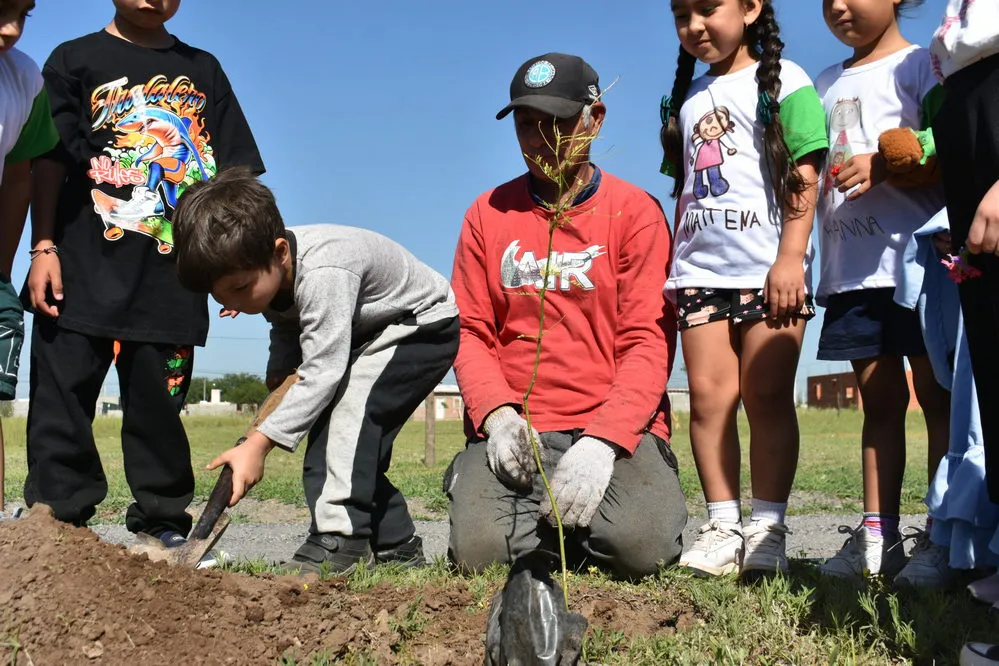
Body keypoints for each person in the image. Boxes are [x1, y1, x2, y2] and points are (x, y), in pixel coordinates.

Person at [24, 0, 264, 555]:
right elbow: (47, 161)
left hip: (174, 278)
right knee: (62, 397)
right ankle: (56, 520)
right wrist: (43, 246)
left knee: (159, 405)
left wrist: (234, 260)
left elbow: (234, 172)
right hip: (79, 271)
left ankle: (162, 518)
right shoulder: (73, 59)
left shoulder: (203, 70)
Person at [446, 52, 687, 581]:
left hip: (611, 425)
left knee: (640, 547)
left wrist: (603, 442)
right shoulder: (488, 213)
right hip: (521, 426)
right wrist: (497, 416)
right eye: (526, 125)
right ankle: (541, 514)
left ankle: (588, 515)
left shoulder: (635, 213)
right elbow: (471, 332)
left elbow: (648, 340)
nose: (539, 140)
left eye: (555, 123)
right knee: (479, 552)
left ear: (594, 119)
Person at [172, 167, 459, 574]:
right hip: (368, 331)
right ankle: (396, 545)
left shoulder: (325, 272)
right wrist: (279, 374)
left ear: (279, 253)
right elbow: (286, 322)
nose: (233, 302)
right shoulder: (265, 271)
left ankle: (339, 543)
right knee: (348, 446)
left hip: (420, 326)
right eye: (219, 295)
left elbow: (323, 370)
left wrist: (258, 445)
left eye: (238, 289)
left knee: (345, 425)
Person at [661, 0, 828, 580]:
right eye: (681, 14)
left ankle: (767, 527)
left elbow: (805, 174)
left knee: (767, 399)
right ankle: (722, 523)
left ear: (752, 8)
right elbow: (688, 191)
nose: (695, 26)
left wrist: (790, 258)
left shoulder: (790, 83)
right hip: (699, 276)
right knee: (708, 404)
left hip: (768, 274)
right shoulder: (685, 97)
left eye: (708, 9)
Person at [812, 0, 952, 582]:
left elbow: (951, 137)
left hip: (919, 267)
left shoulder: (924, 66)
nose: (839, 6)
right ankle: (877, 535)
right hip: (851, 271)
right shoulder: (820, 83)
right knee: (880, 406)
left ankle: (944, 535)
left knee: (939, 401)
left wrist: (890, 163)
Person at [0, 0, 59, 514]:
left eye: (24, 13)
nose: (11, 29)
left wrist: (2, 271)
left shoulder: (22, 79)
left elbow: (19, 176)